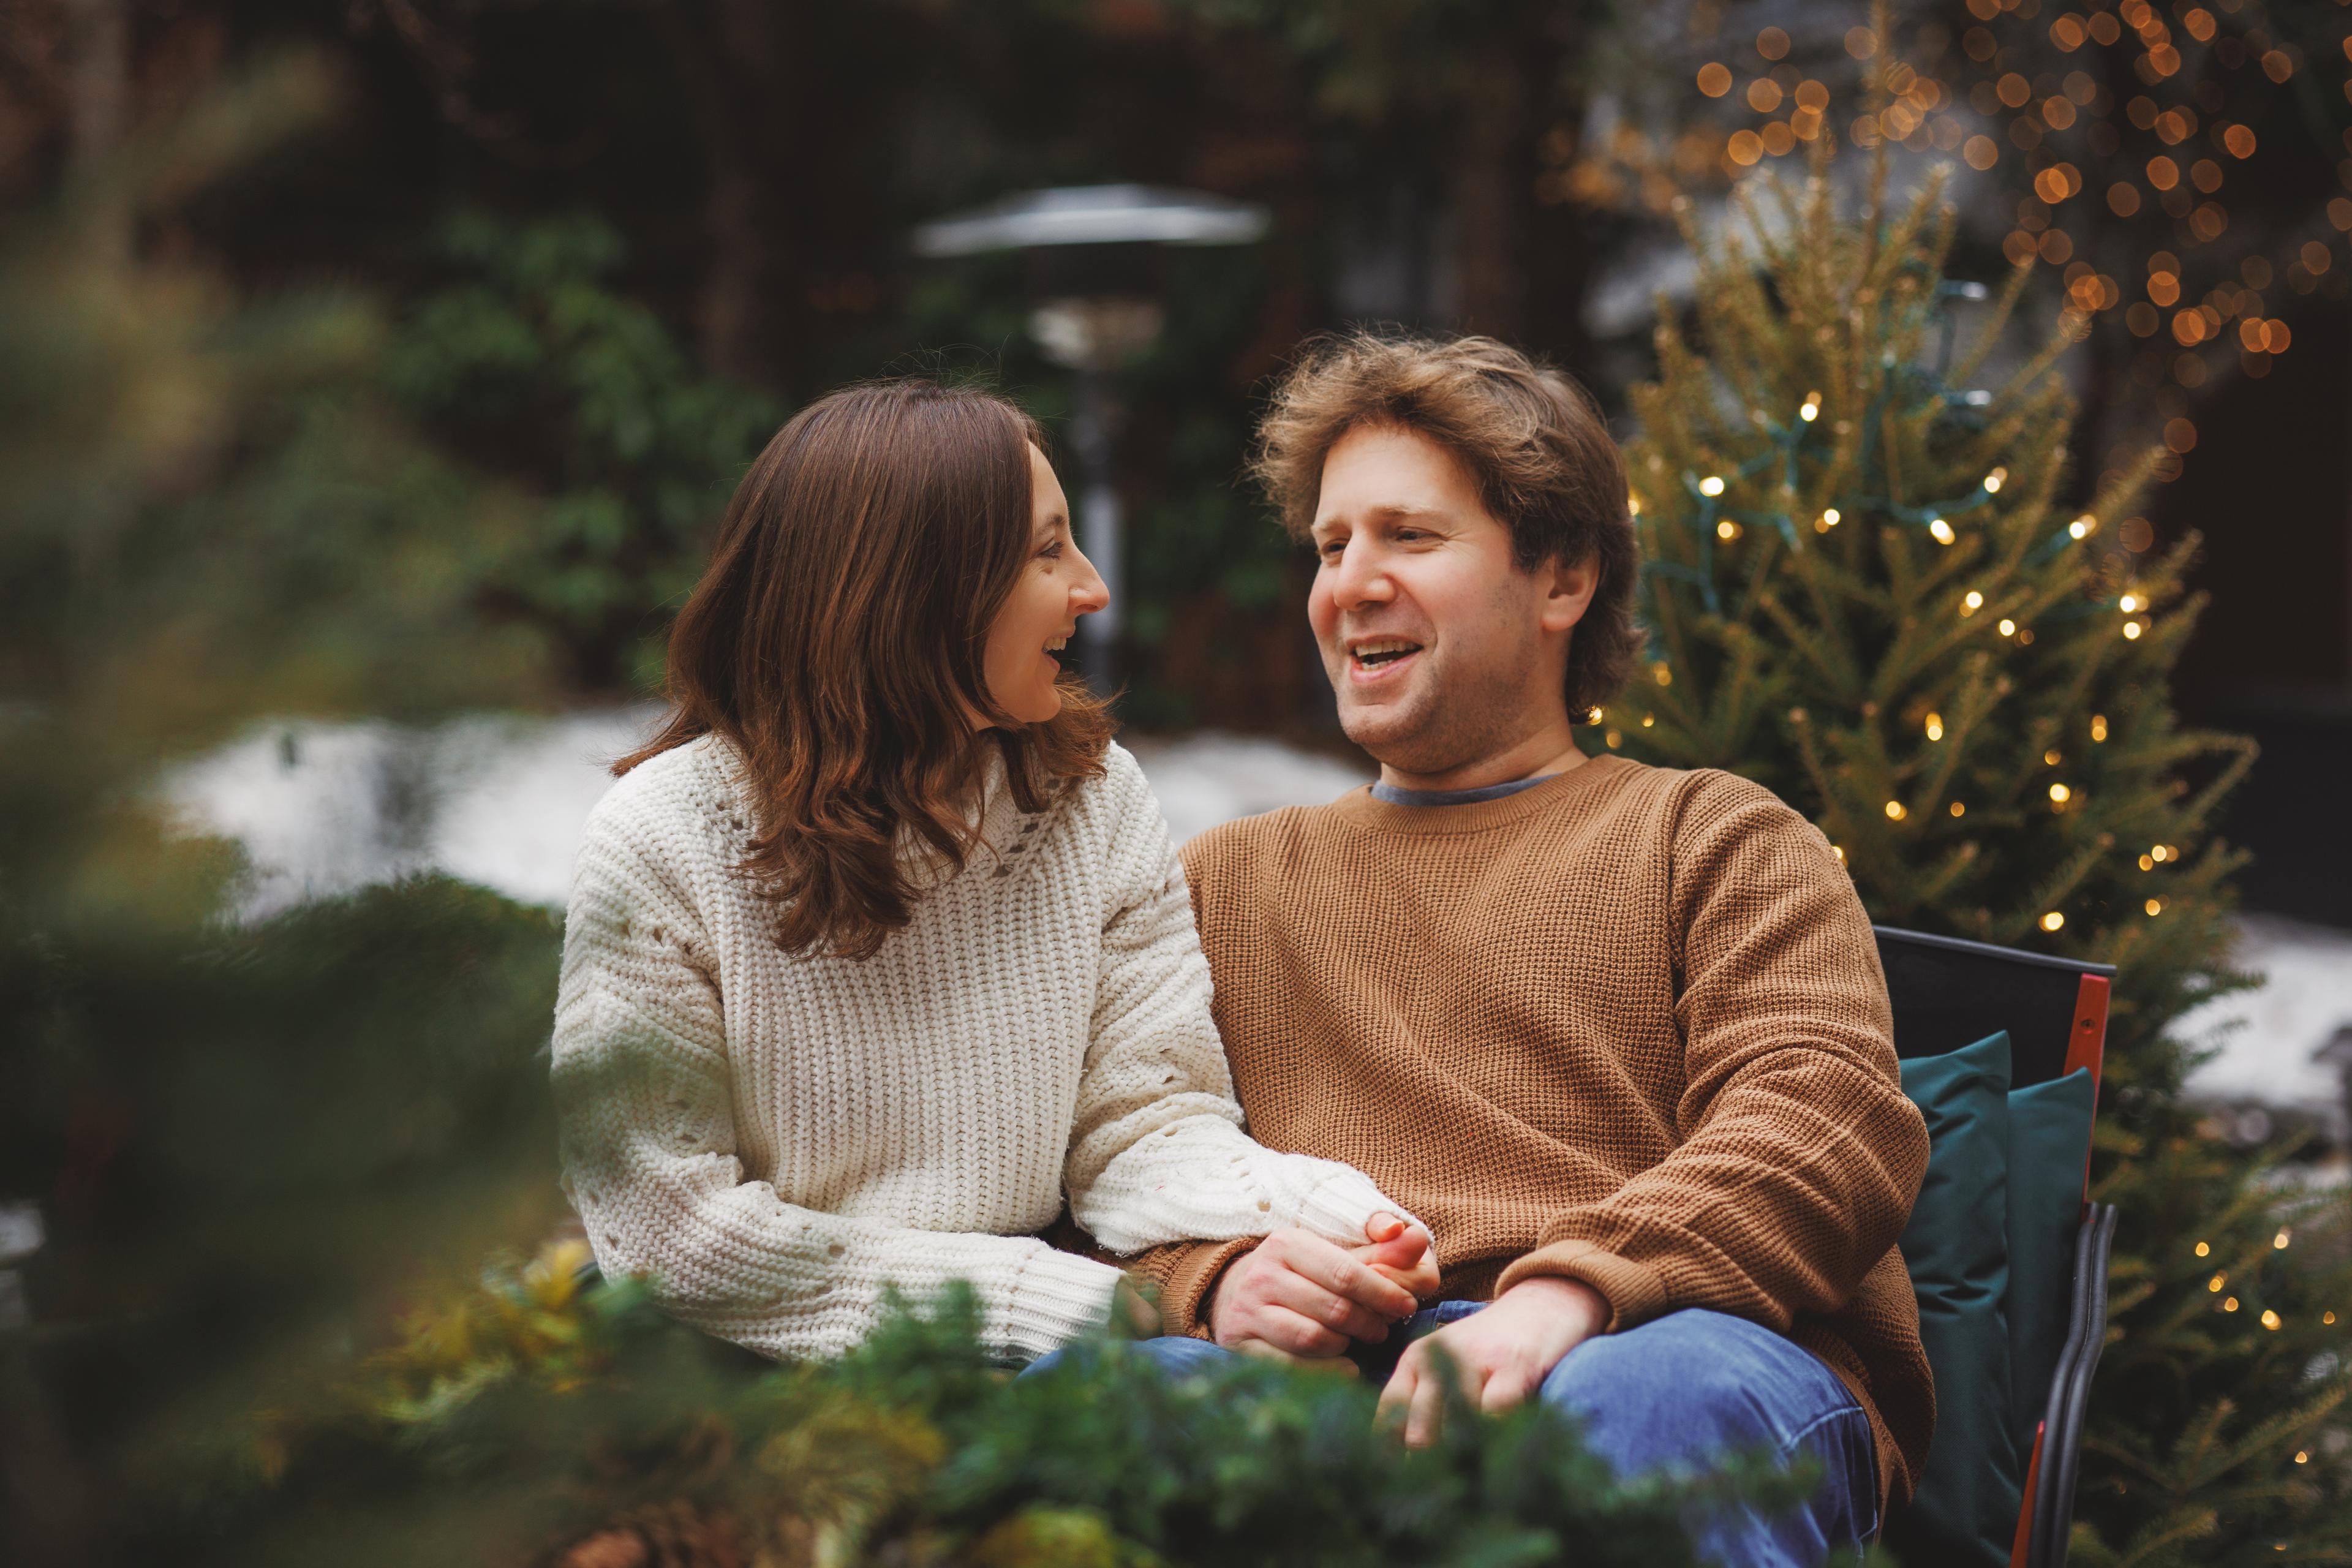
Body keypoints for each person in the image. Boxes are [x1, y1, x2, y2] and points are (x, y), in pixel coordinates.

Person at [1104, 334, 1934, 1568]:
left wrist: (1565, 1297)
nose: (1350, 583)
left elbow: (1823, 1120)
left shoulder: (1712, 835)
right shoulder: (1227, 878)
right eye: (1332, 546)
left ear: (1562, 578)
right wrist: (1215, 1281)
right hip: (1339, 1392)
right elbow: (1115, 1160)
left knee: (1635, 1409)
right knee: (1122, 1412)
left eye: (1409, 536)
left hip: (1666, 1352)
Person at [550, 380, 1431, 1366]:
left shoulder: (1091, 798)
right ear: (917, 591)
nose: (1092, 589)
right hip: (755, 1370)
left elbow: (1139, 1126)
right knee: (1221, 1402)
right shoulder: (662, 838)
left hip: (1043, 1328)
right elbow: (673, 1239)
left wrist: (1334, 1218)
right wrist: (1049, 1302)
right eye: (1048, 551)